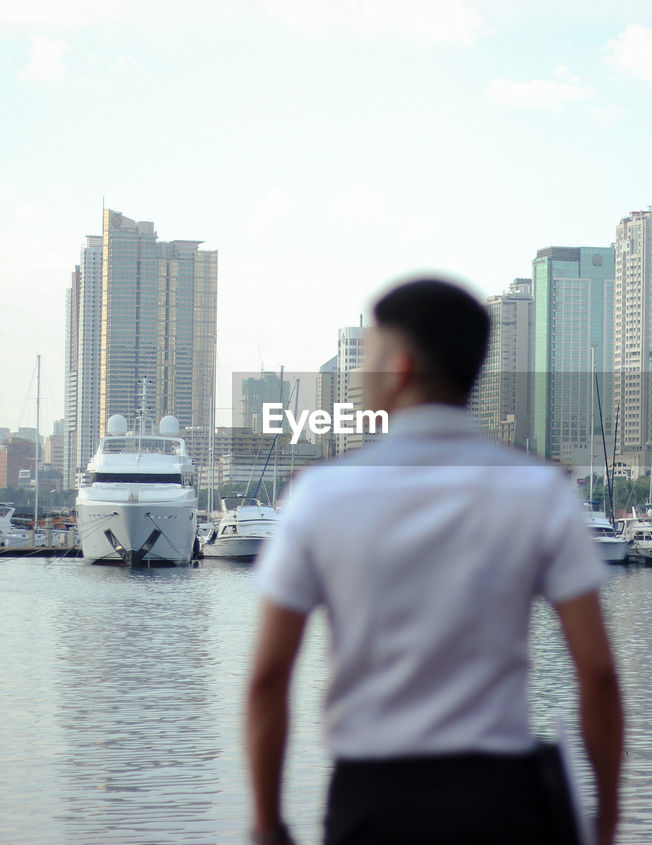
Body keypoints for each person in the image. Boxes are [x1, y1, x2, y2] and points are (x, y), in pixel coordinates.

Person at [246, 277, 623, 844]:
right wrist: (608, 815)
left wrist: (268, 823)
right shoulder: (539, 489)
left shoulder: (320, 495)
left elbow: (268, 679)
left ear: (398, 369)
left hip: (371, 801)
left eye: (366, 360)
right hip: (503, 801)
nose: (358, 377)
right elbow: (596, 672)